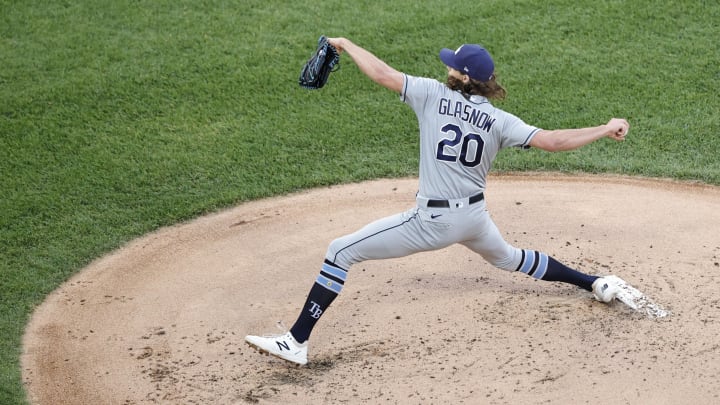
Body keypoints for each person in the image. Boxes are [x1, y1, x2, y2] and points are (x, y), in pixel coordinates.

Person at [245, 38, 631, 366]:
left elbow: (382, 74)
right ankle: (594, 282)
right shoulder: (500, 120)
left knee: (339, 251)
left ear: (464, 77)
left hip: (432, 222)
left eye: (454, 67)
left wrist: (345, 44)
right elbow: (553, 141)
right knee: (512, 259)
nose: (447, 69)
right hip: (476, 219)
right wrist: (603, 128)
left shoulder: (430, 93)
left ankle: (295, 342)